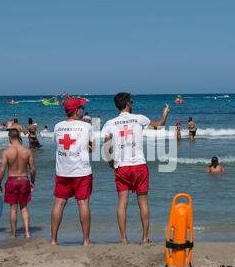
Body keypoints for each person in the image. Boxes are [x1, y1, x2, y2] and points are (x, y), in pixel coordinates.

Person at [103, 92, 169, 244]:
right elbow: (159, 127)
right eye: (131, 101)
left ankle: (123, 238)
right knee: (143, 202)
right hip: (139, 165)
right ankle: (145, 238)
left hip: (122, 167)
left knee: (122, 203)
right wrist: (164, 115)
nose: (132, 103)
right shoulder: (139, 118)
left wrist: (110, 162)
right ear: (127, 103)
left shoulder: (110, 123)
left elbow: (107, 149)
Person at [51, 98, 94, 246]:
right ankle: (86, 240)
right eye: (81, 107)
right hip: (81, 171)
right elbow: (91, 147)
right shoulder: (86, 126)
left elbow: (60, 145)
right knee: (83, 203)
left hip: (62, 171)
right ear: (76, 111)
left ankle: (53, 240)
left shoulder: (57, 126)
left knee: (59, 202)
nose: (83, 109)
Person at [0, 129, 36, 238]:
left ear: (9, 138)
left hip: (12, 180)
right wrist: (32, 182)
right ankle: (27, 232)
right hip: (24, 180)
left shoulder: (6, 152)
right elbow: (33, 169)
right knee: (24, 207)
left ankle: (14, 234)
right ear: (19, 137)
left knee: (13, 209)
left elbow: (1, 171)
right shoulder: (27, 151)